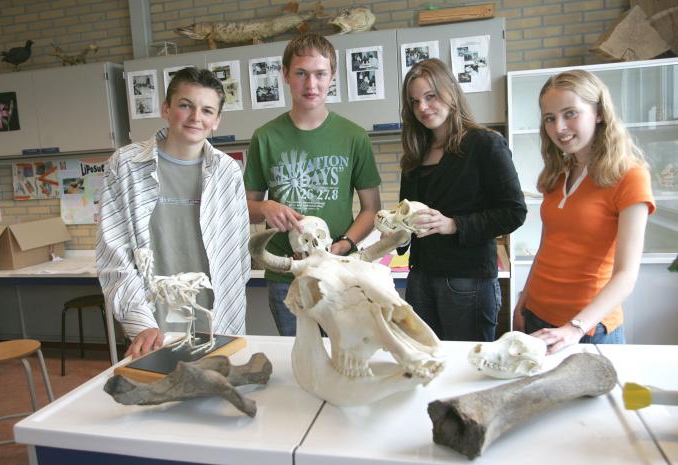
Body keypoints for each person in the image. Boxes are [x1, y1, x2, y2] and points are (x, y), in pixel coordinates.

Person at [96, 67, 250, 357]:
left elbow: (237, 254)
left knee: (216, 383)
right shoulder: (125, 165)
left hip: (216, 317)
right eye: (185, 105)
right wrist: (140, 323)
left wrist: (230, 320)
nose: (196, 117)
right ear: (166, 109)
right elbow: (114, 254)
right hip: (154, 322)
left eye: (207, 110)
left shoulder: (227, 171)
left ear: (216, 120)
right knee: (159, 383)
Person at [244, 33, 381, 336]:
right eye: (301, 73)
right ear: (285, 75)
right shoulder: (265, 137)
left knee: (344, 354)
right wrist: (265, 207)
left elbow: (372, 209)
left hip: (337, 273)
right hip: (285, 277)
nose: (311, 84)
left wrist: (344, 244)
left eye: (320, 74)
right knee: (298, 357)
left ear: (332, 76)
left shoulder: (354, 136)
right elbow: (244, 207)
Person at [513, 70, 655, 354]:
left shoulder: (630, 175)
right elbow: (546, 247)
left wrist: (575, 327)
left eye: (570, 114)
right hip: (537, 317)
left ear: (599, 113)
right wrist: (523, 299)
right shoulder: (557, 174)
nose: (559, 127)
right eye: (550, 118)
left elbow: (626, 275)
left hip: (587, 329)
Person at [398, 58, 526, 342]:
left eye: (430, 96)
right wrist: (396, 228)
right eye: (415, 101)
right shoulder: (415, 154)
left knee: (466, 363)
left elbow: (514, 212)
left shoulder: (485, 144)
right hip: (420, 278)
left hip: (467, 280)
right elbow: (408, 215)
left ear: (451, 92)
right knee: (425, 358)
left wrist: (454, 224)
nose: (422, 107)